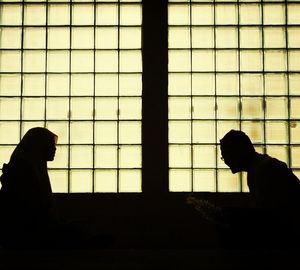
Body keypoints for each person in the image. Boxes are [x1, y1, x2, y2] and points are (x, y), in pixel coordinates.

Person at [0, 127, 113, 249]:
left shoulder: (32, 167)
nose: (55, 149)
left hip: (34, 227)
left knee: (82, 226)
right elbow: (30, 212)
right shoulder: (23, 172)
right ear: (39, 146)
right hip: (26, 232)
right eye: (50, 145)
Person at [218, 129, 300, 249]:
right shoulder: (259, 168)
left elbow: (272, 215)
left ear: (240, 151)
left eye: (226, 155)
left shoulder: (264, 171)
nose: (226, 161)